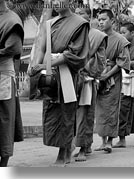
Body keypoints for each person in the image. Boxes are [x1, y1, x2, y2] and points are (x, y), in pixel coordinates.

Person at [30, 0, 90, 166]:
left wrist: (46, 64)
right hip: (49, 74)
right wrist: (36, 66)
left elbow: (75, 54)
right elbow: (42, 49)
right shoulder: (50, 23)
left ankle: (63, 153)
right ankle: (66, 147)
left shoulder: (80, 24)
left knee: (66, 112)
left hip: (67, 73)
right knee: (52, 111)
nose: (55, 3)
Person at [74, 7, 107, 162]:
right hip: (71, 78)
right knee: (72, 115)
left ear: (89, 16)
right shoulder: (71, 33)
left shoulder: (97, 36)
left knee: (85, 114)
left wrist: (85, 70)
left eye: (82, 13)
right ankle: (82, 145)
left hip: (86, 79)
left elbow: (100, 62)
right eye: (77, 13)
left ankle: (82, 147)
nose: (78, 16)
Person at [95, 9, 130, 153]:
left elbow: (123, 61)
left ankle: (110, 141)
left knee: (111, 109)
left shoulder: (120, 40)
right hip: (97, 76)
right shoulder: (97, 37)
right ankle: (102, 141)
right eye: (99, 19)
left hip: (113, 79)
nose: (101, 22)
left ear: (112, 21)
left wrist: (108, 74)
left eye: (104, 19)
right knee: (100, 110)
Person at [0, 0, 24, 167]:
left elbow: (13, 49)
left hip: (3, 75)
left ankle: (3, 164)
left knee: (4, 119)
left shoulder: (11, 20)